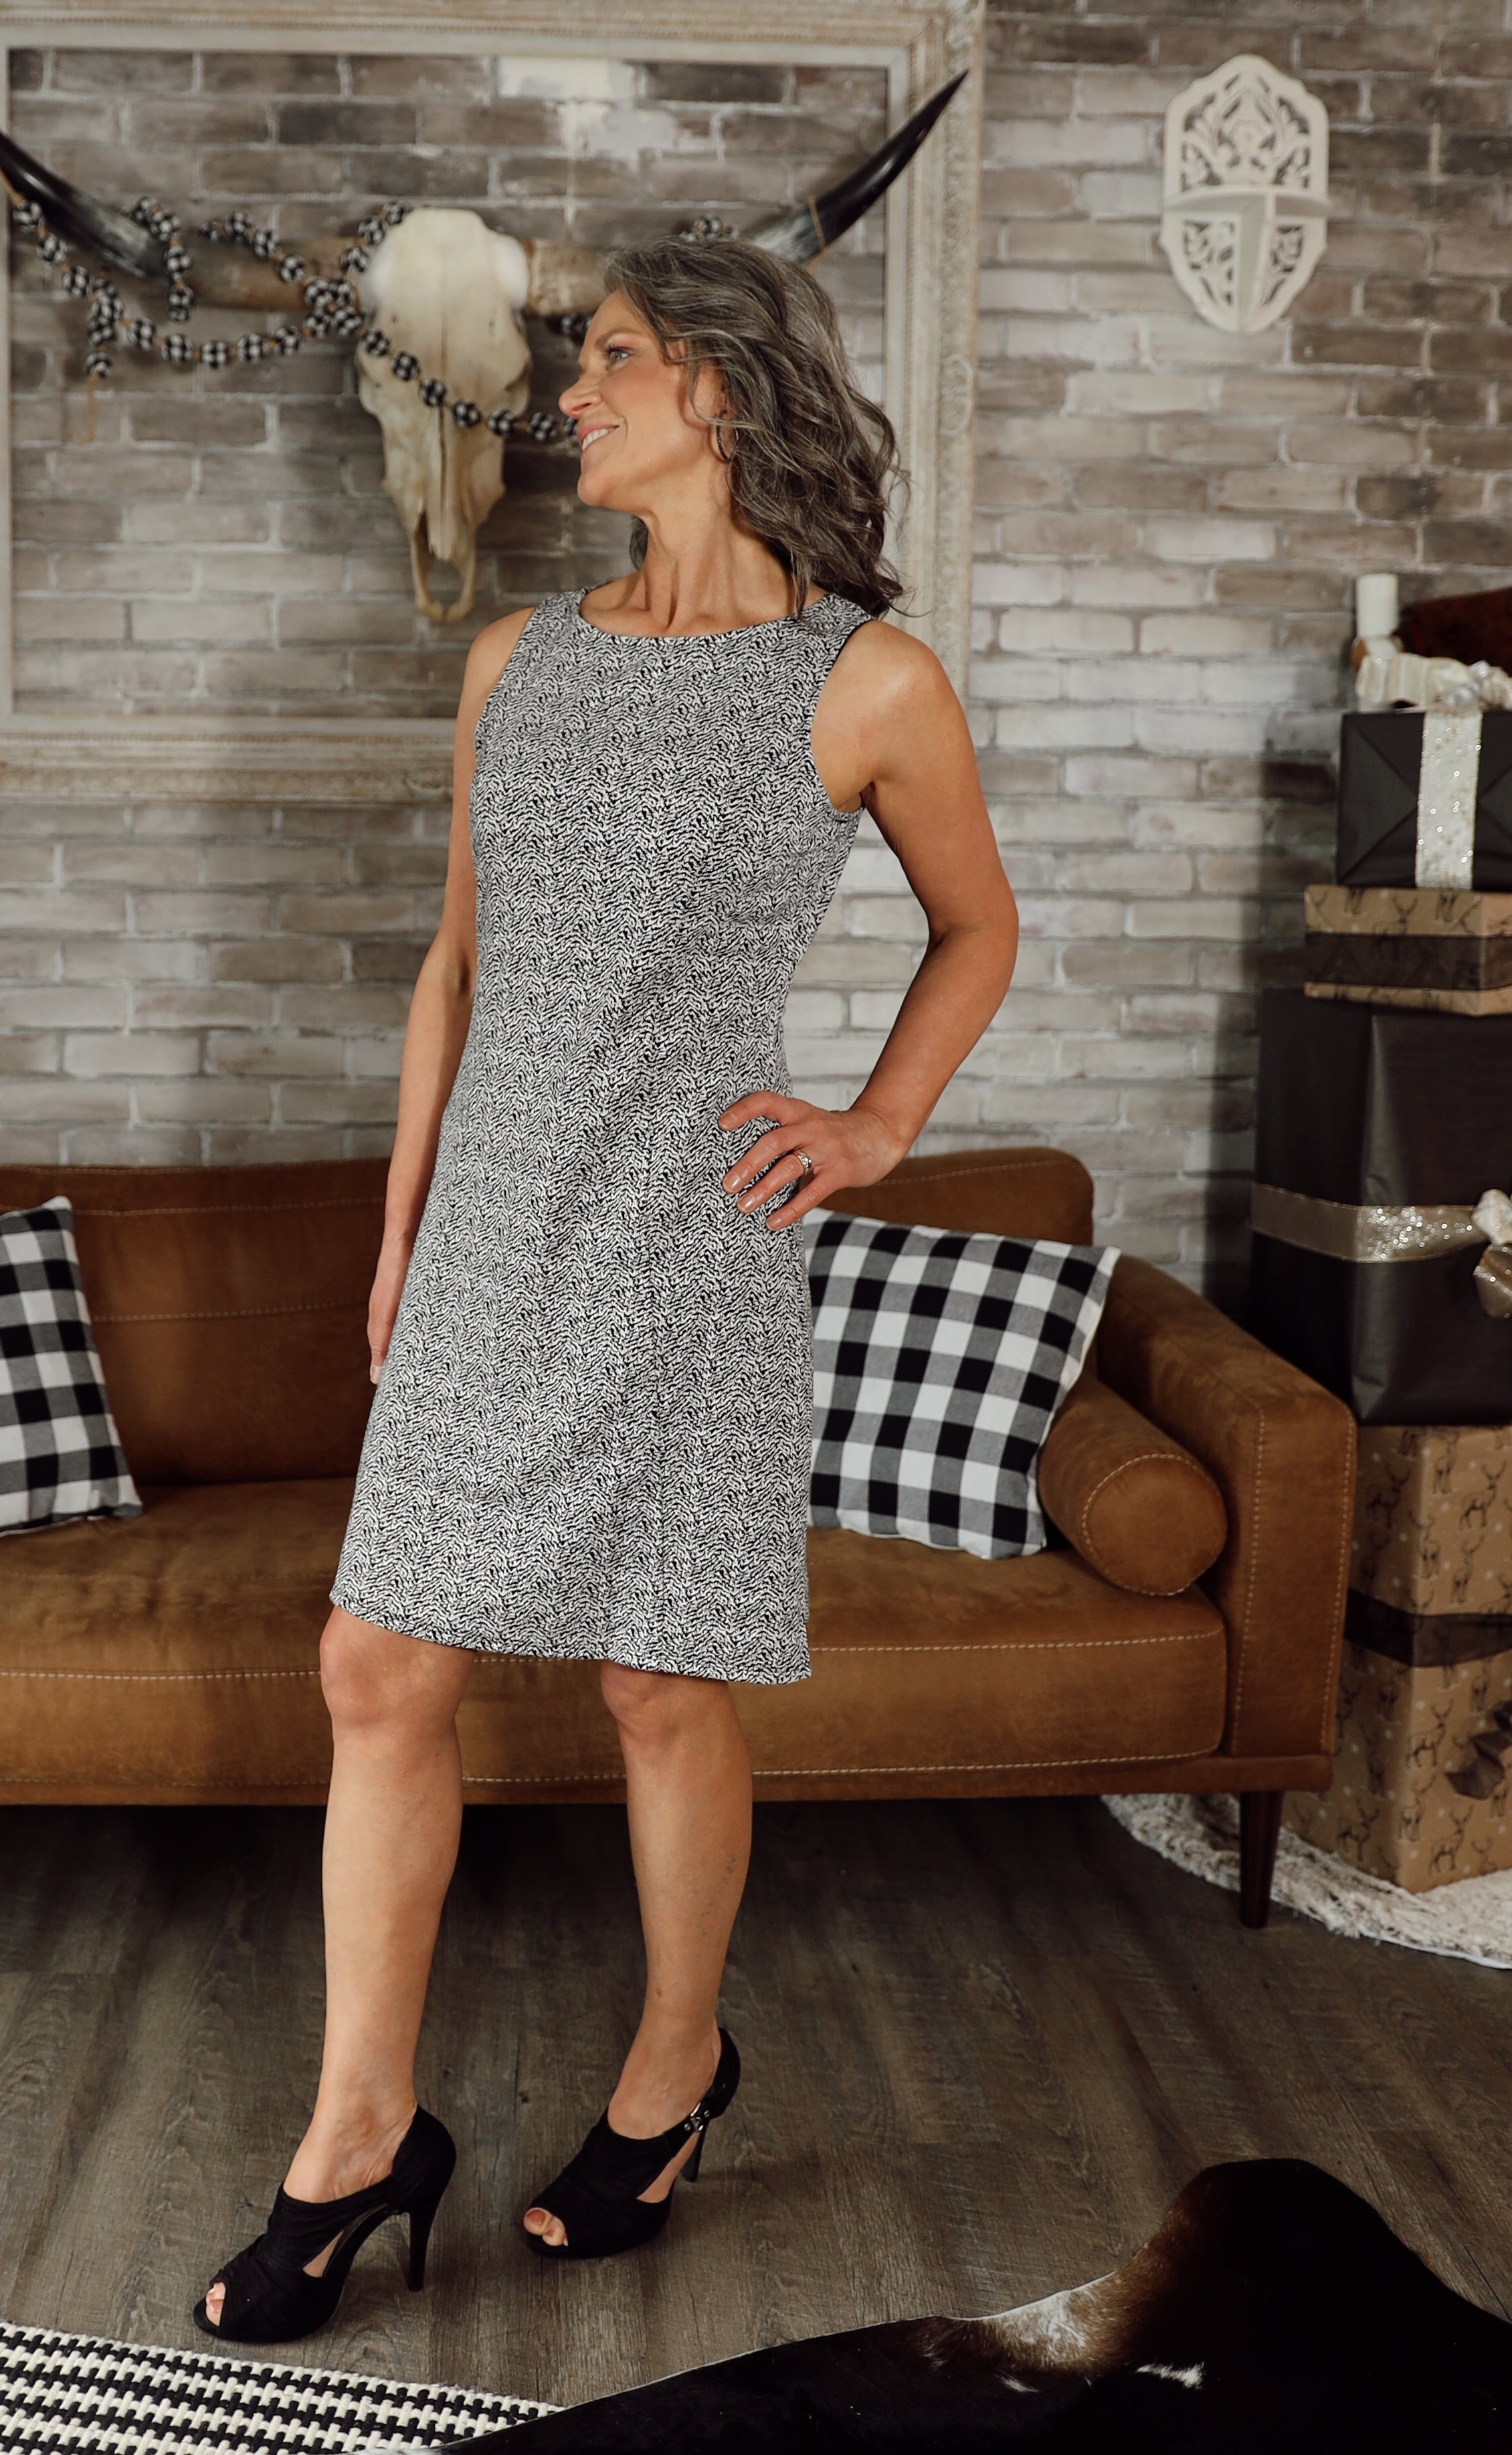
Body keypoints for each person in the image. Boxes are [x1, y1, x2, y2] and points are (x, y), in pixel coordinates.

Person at [195, 237, 1018, 2344]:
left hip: (690, 1238)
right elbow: (455, 969)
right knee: (377, 1665)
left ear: (722, 388)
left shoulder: (867, 682)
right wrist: (402, 1237)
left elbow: (979, 929)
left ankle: (674, 2067)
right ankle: (360, 2131)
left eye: (616, 360)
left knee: (661, 1682)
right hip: (495, 1223)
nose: (573, 394)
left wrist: (876, 1126)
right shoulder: (519, 661)